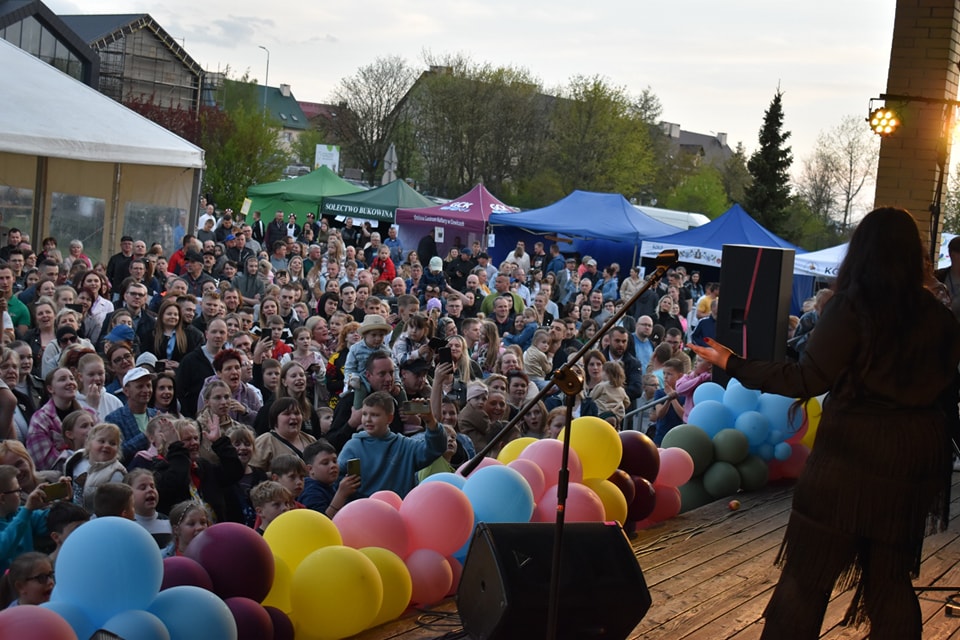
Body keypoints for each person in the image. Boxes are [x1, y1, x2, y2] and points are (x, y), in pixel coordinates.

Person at [689, 207, 960, 640]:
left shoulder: (853, 309)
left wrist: (733, 363)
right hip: (910, 462)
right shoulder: (939, 317)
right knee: (890, 581)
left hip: (850, 461)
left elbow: (807, 379)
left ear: (862, 252)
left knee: (807, 577)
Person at [338, 391, 445, 499]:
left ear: (390, 418)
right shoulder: (353, 446)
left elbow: (436, 449)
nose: (368, 419)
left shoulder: (405, 446)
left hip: (398, 507)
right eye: (364, 414)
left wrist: (430, 421)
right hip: (363, 507)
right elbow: (337, 480)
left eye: (375, 415)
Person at [63, 422, 126, 511]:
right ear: (89, 443)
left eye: (112, 443)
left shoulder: (116, 473)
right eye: (102, 441)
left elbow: (113, 507)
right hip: (71, 511)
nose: (107, 445)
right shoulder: (76, 459)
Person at [298, 439, 360, 518]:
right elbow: (321, 521)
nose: (333, 465)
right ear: (310, 469)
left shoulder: (333, 484)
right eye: (325, 463)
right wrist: (341, 495)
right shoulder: (310, 492)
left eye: (335, 461)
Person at [124, 468, 172, 548]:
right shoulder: (125, 525)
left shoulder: (168, 523)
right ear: (129, 494)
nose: (150, 490)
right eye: (143, 488)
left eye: (152, 486)